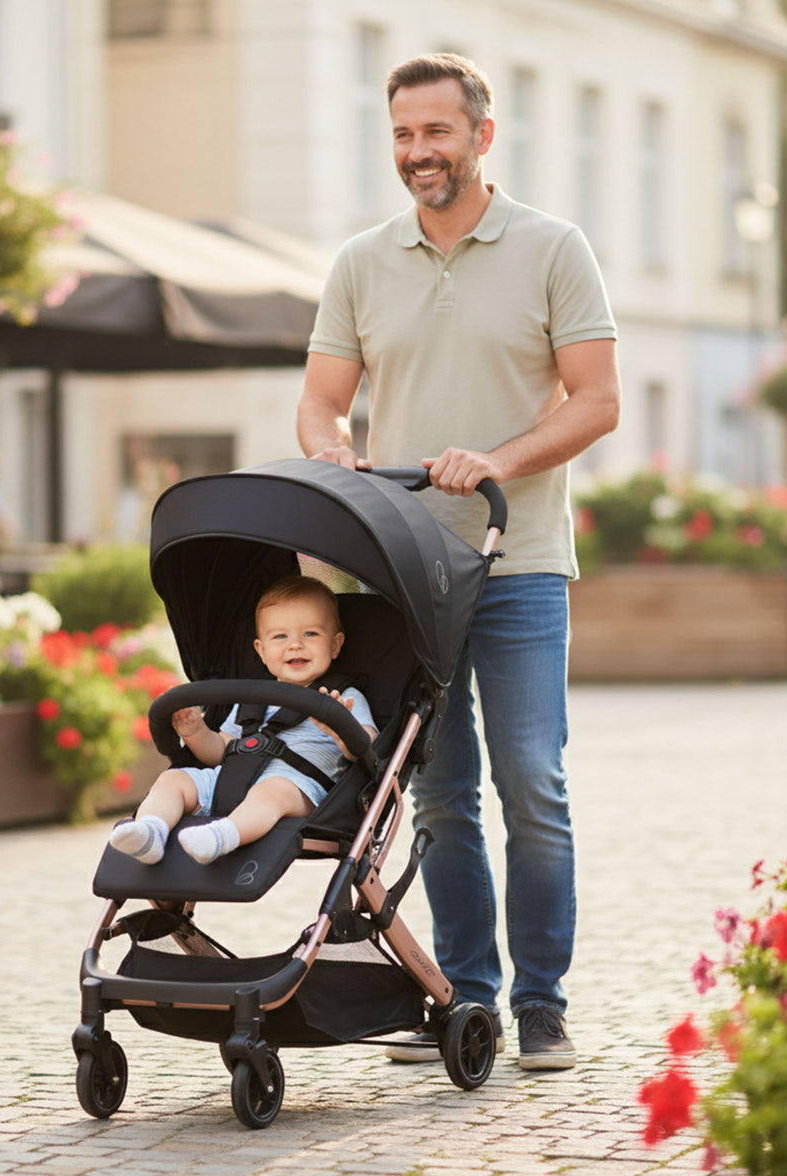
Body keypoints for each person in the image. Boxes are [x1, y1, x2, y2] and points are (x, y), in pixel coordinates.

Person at [297, 53, 620, 1071]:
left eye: (435, 132)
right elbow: (319, 399)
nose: (416, 153)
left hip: (516, 562)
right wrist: (330, 449)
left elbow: (596, 401)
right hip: (402, 574)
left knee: (533, 784)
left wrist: (499, 460)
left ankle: (542, 1006)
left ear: (482, 135)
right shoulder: (361, 261)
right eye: (401, 134)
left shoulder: (553, 249)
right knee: (437, 796)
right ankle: (460, 1000)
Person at [109, 575, 378, 866]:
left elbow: (369, 749)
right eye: (280, 636)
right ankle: (151, 832)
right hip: (230, 781)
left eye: (310, 634)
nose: (295, 645)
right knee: (173, 779)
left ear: (335, 645)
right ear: (261, 651)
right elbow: (220, 751)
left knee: (273, 789)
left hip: (298, 789)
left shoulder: (344, 697)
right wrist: (195, 732)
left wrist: (340, 730)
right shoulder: (252, 699)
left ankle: (221, 837)